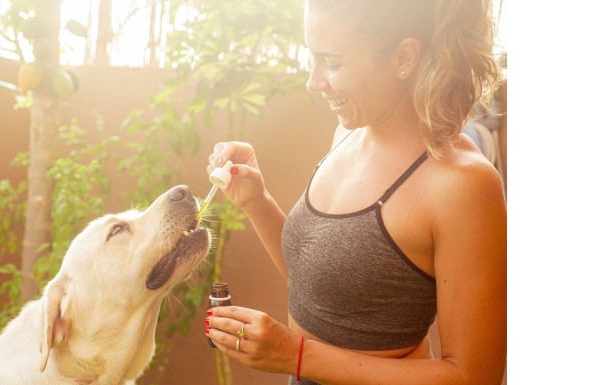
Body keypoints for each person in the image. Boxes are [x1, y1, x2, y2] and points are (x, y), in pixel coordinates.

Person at [203, 0, 507, 384]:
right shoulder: (347, 134)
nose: (314, 81)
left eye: (332, 62)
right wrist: (256, 202)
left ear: (404, 57)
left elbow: (475, 377)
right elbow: (324, 287)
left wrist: (294, 355)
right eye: (312, 58)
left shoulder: (462, 184)